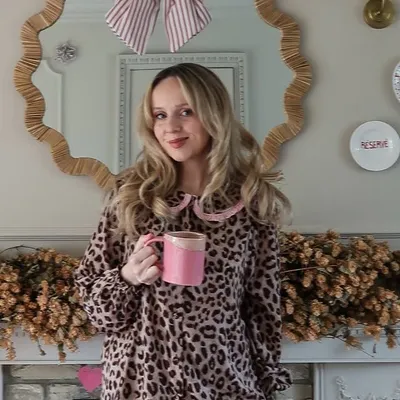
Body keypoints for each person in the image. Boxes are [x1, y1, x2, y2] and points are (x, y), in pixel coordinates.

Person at [74, 63, 292, 400]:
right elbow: (95, 309)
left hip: (224, 384)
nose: (171, 127)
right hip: (139, 384)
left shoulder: (251, 203)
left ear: (213, 113)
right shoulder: (130, 197)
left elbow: (263, 308)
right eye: (159, 115)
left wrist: (264, 379)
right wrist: (128, 276)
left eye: (186, 112)